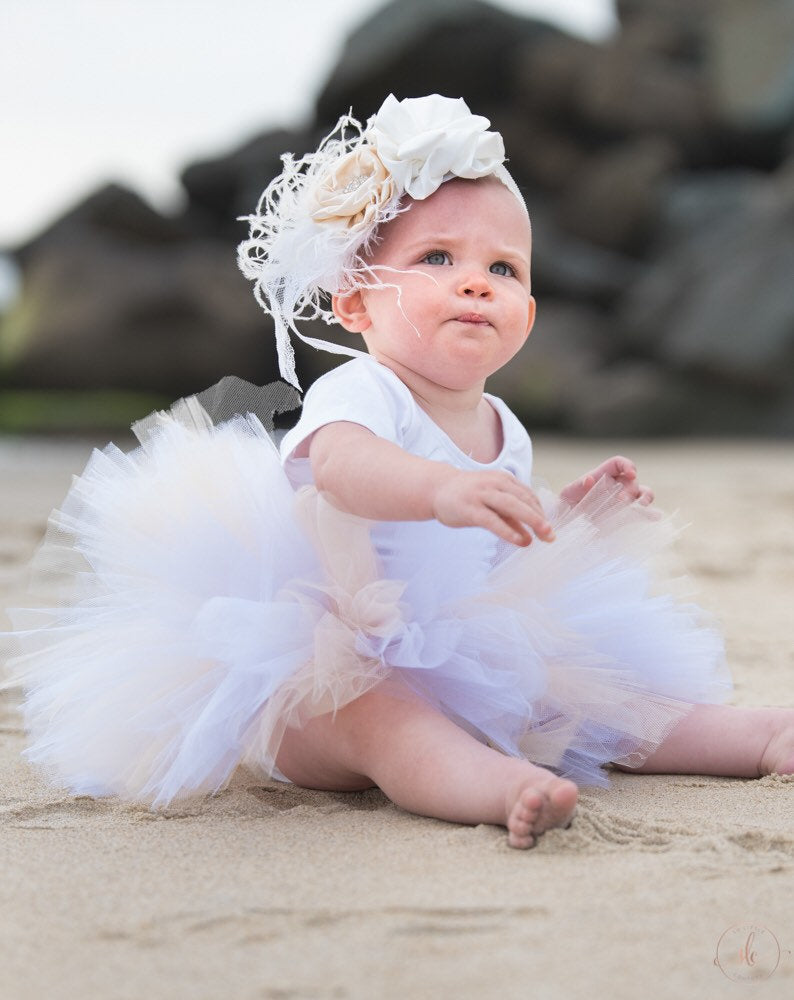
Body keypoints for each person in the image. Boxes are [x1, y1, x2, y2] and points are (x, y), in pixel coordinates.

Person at [2, 96, 792, 849]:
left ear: (530, 312)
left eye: (505, 269)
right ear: (354, 303)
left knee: (606, 701)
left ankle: (760, 737)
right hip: (326, 662)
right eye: (437, 258)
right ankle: (496, 787)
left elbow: (495, 561)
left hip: (465, 651)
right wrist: (440, 489)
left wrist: (569, 522)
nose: (478, 282)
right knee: (392, 722)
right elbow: (343, 468)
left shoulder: (499, 425)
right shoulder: (362, 389)